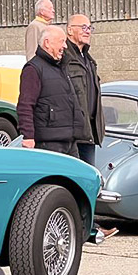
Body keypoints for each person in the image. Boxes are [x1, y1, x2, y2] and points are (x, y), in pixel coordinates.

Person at [17, 25, 84, 157]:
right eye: (62, 41)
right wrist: (28, 137)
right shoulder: (33, 69)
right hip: (48, 143)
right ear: (47, 43)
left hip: (69, 141)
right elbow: (25, 105)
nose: (65, 46)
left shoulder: (63, 67)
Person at [62, 14, 104, 165]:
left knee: (88, 179)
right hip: (71, 134)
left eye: (90, 28)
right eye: (83, 27)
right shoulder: (63, 56)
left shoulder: (88, 60)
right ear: (70, 30)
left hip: (89, 132)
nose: (88, 31)